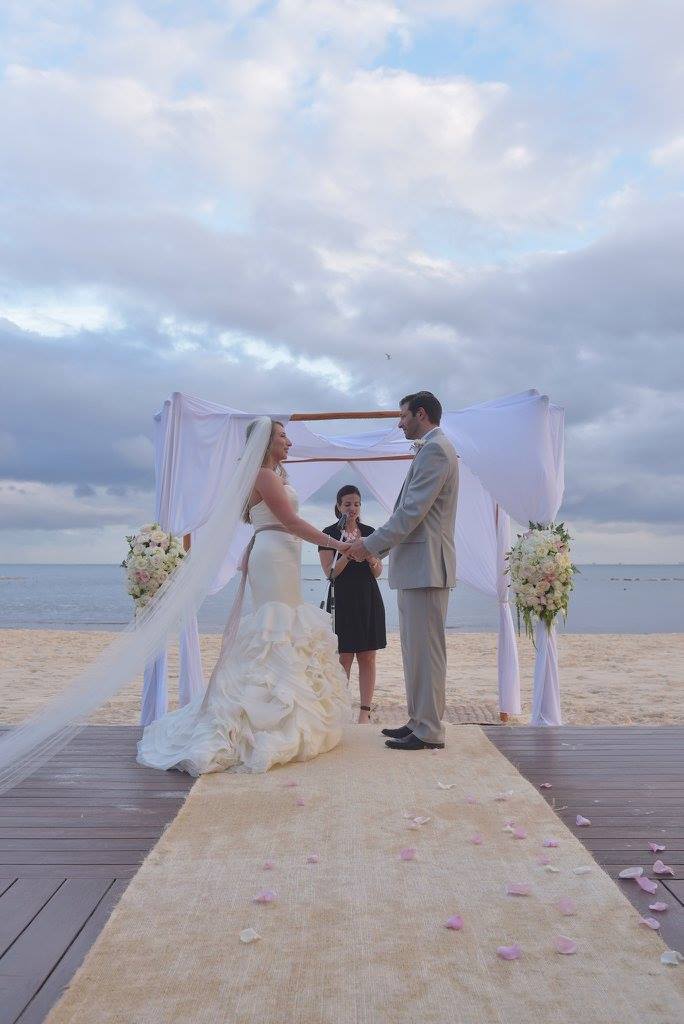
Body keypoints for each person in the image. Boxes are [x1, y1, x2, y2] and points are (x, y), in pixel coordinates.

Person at [137, 420, 351, 775]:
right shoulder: (266, 476)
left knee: (284, 624)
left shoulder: (267, 476)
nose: (289, 441)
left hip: (279, 552)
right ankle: (268, 717)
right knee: (278, 626)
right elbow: (291, 521)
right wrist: (338, 544)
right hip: (276, 552)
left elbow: (282, 523)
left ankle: (281, 708)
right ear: (267, 442)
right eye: (283, 436)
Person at [346, 391, 458, 751]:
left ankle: (429, 729)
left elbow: (412, 512)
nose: (399, 423)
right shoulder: (430, 449)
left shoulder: (437, 450)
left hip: (427, 567)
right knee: (415, 651)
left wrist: (369, 544)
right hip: (416, 567)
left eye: (403, 416)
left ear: (421, 414)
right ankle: (418, 721)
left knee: (426, 651)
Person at [318, 485, 387, 725]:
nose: (352, 508)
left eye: (356, 503)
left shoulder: (370, 532)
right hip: (343, 600)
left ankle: (364, 713)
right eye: (347, 504)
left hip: (368, 596)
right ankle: (341, 709)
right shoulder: (328, 534)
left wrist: (367, 553)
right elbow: (330, 574)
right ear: (338, 507)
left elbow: (378, 572)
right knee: (344, 657)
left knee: (368, 656)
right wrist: (347, 551)